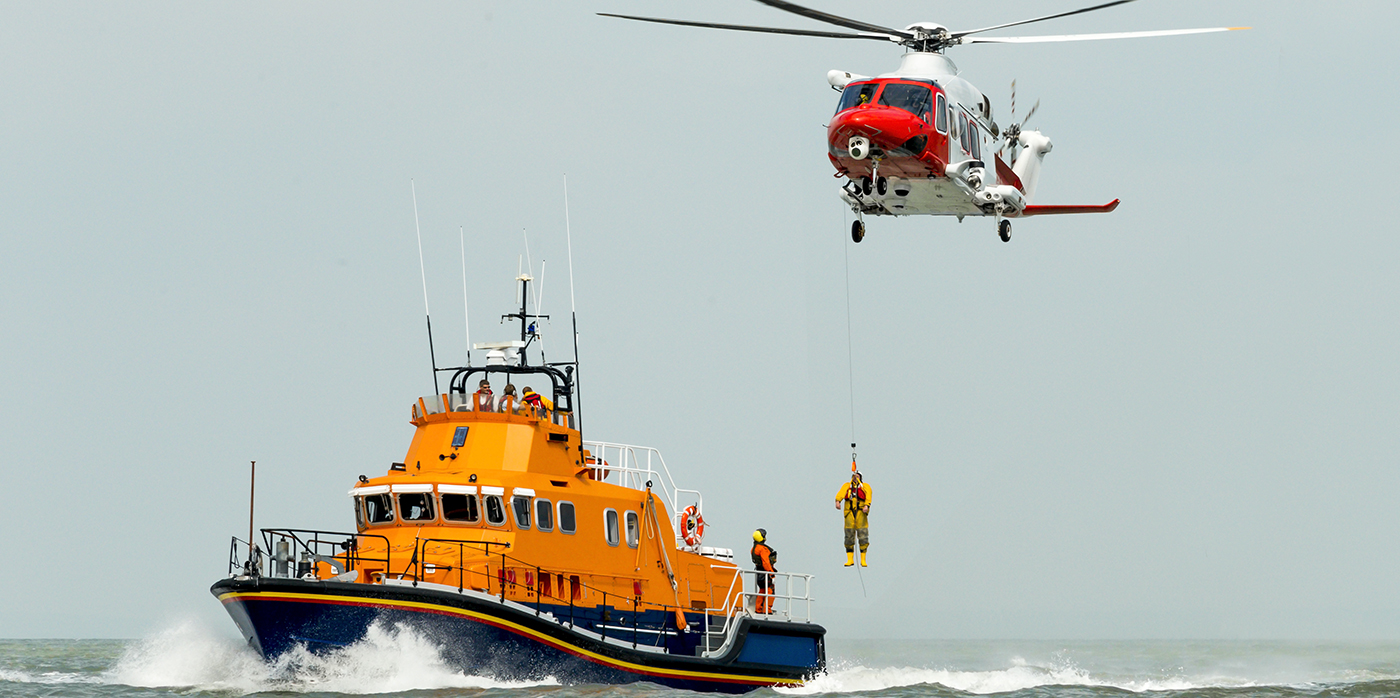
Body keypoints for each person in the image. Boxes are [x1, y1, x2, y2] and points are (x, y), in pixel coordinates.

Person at [834, 471, 872, 567]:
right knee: (848, 535)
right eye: (854, 476)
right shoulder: (847, 486)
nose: (855, 477)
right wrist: (838, 501)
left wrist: (867, 505)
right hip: (849, 513)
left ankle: (863, 559)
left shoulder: (865, 486)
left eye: (857, 476)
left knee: (863, 535)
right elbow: (841, 493)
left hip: (861, 513)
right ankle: (849, 559)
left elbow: (868, 496)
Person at [751, 528, 777, 614]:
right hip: (765, 573)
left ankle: (758, 609)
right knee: (770, 591)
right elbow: (766, 563)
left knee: (762, 590)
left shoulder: (754, 549)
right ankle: (767, 610)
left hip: (759, 573)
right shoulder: (763, 549)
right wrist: (771, 574)